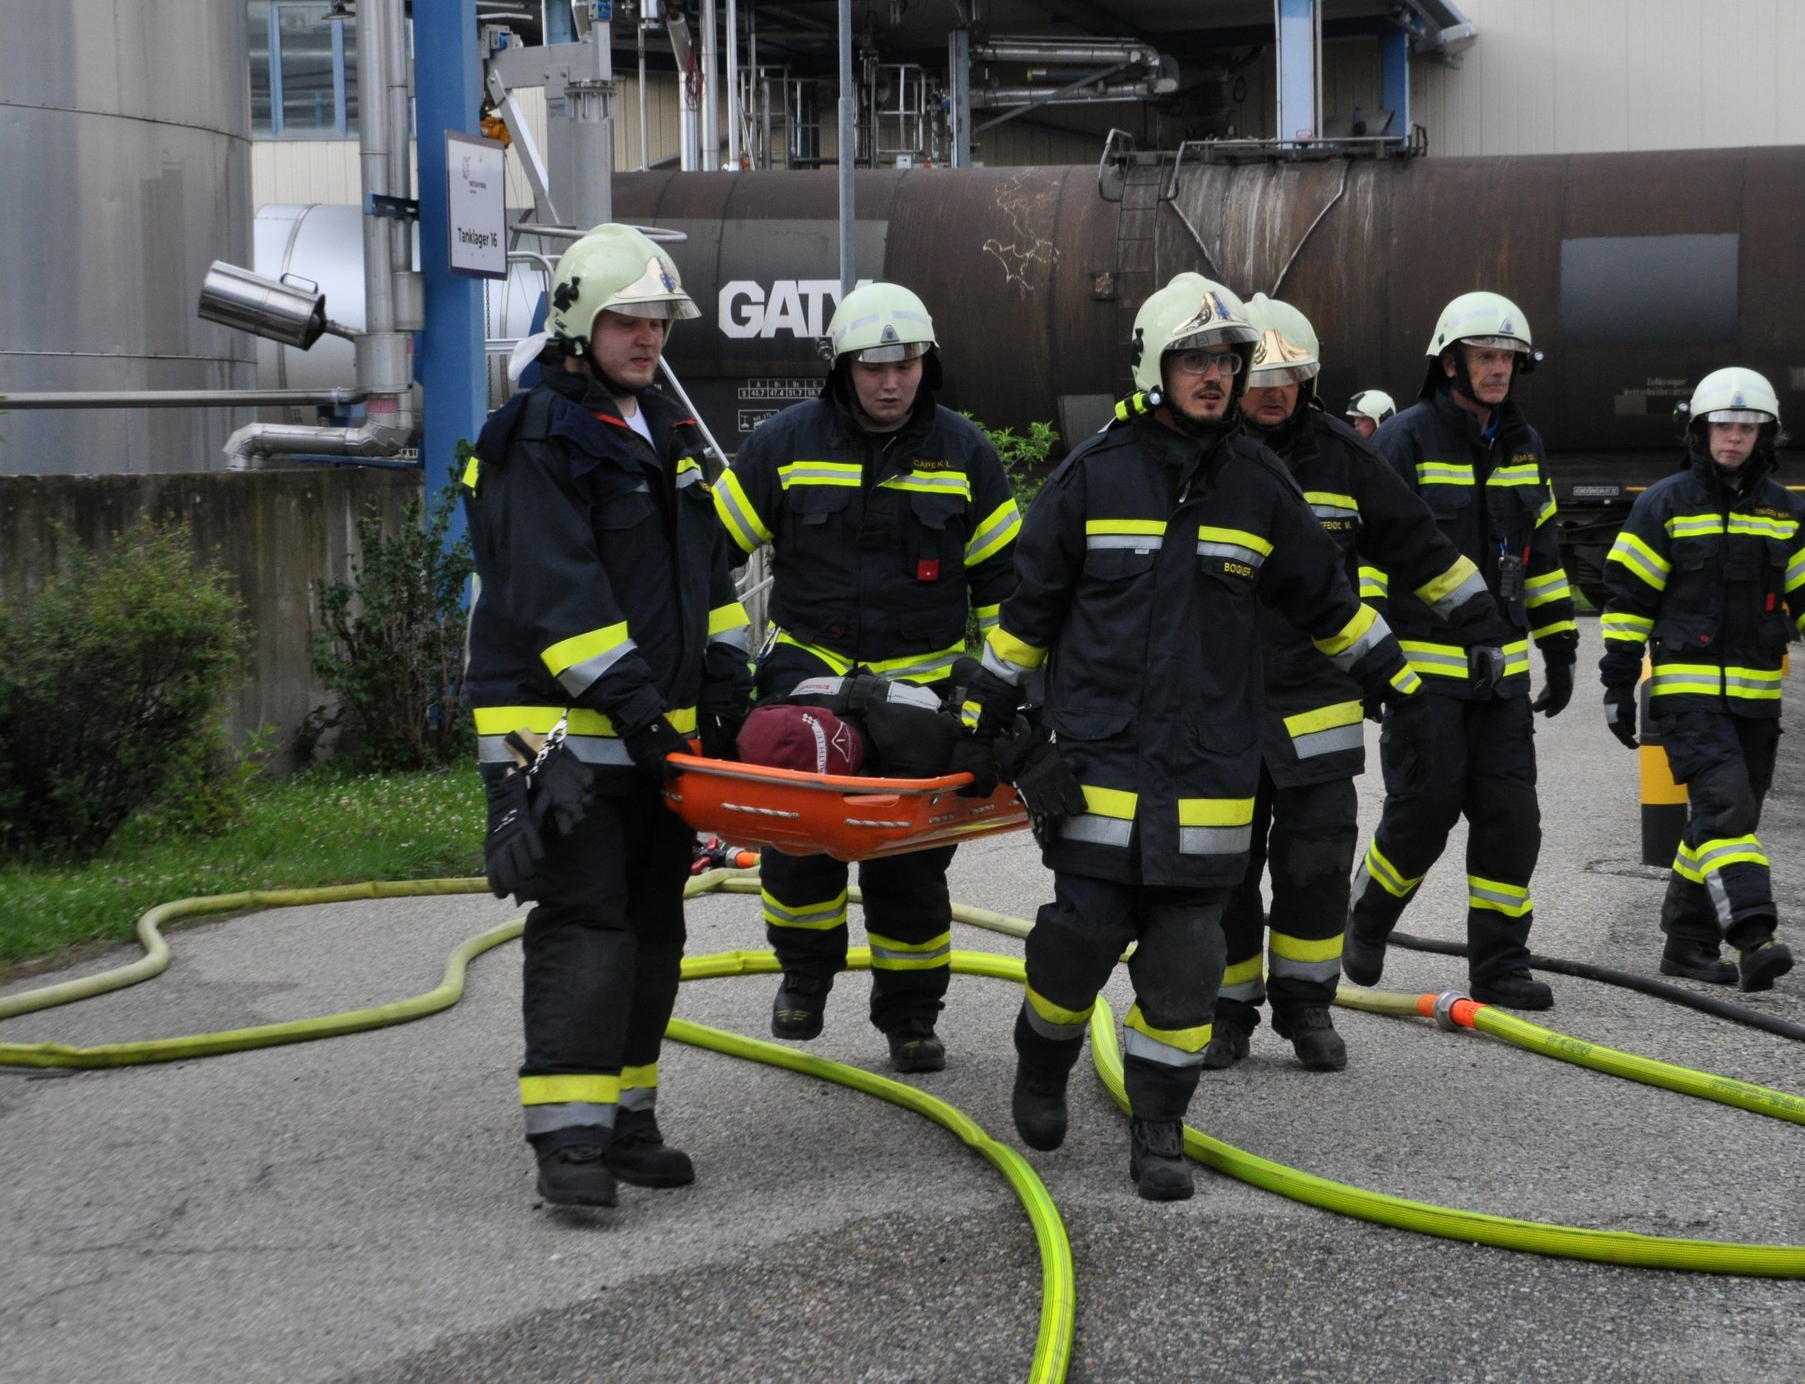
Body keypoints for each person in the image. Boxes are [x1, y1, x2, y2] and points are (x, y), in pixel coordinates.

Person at [958, 272, 1430, 1201]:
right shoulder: (1092, 476)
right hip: (1096, 763)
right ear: (1155, 365)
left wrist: (1399, 681)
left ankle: (1160, 1125)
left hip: (1213, 768)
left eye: (1224, 360)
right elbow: (1027, 612)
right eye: (1194, 360)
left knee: (1187, 958)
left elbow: (1326, 599)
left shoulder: (1262, 485)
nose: (1213, 377)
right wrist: (989, 715)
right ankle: (1042, 1059)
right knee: (1077, 937)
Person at [464, 222, 753, 1209]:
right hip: (553, 735)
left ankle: (627, 1116)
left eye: (659, 321)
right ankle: (569, 1142)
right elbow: (557, 592)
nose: (647, 338)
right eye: (628, 319)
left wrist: (723, 671)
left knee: (651, 925)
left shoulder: (659, 435)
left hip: (646, 735)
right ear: (580, 322)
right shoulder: (535, 435)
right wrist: (636, 702)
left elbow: (704, 575)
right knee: (587, 922)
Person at [711, 283, 1021, 1072]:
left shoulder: (967, 456)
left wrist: (1000, 707)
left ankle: (911, 1016)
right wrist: (715, 674)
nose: (891, 382)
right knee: (797, 846)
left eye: (906, 365)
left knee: (911, 867)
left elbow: (1009, 600)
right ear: (843, 368)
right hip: (806, 684)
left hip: (920, 701)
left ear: (928, 365)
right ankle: (805, 978)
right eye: (874, 366)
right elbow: (704, 559)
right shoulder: (783, 444)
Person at [1204, 295, 1505, 1072]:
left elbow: (1417, 543)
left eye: (1289, 377)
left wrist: (1480, 622)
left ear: (1310, 377)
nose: (1272, 393)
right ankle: (1226, 1009)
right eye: (1259, 377)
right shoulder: (1193, 454)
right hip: (1216, 702)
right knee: (1221, 866)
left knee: (1315, 864)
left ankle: (1307, 1008)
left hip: (1316, 698)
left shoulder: (1344, 455)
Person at [1342, 291, 1579, 1010]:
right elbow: (1372, 559)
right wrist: (1372, 660)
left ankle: (1500, 966)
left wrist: (1560, 643)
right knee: (1423, 813)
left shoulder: (1522, 446)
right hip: (1422, 679)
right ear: (1451, 363)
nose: (1499, 368)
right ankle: (1369, 916)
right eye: (1486, 355)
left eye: (1508, 357)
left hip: (1500, 681)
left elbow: (1541, 554)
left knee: (1513, 821)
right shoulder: (1404, 442)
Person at [1599, 367, 1805, 990]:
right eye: (1723, 425)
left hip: (1754, 704)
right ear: (1700, 430)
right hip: (1687, 698)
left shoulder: (1786, 513)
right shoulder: (1664, 503)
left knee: (1724, 825)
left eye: (1746, 427)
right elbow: (1628, 602)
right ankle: (1753, 935)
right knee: (1726, 807)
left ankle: (1686, 947)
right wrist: (1615, 685)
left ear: (1764, 435)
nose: (1733, 437)